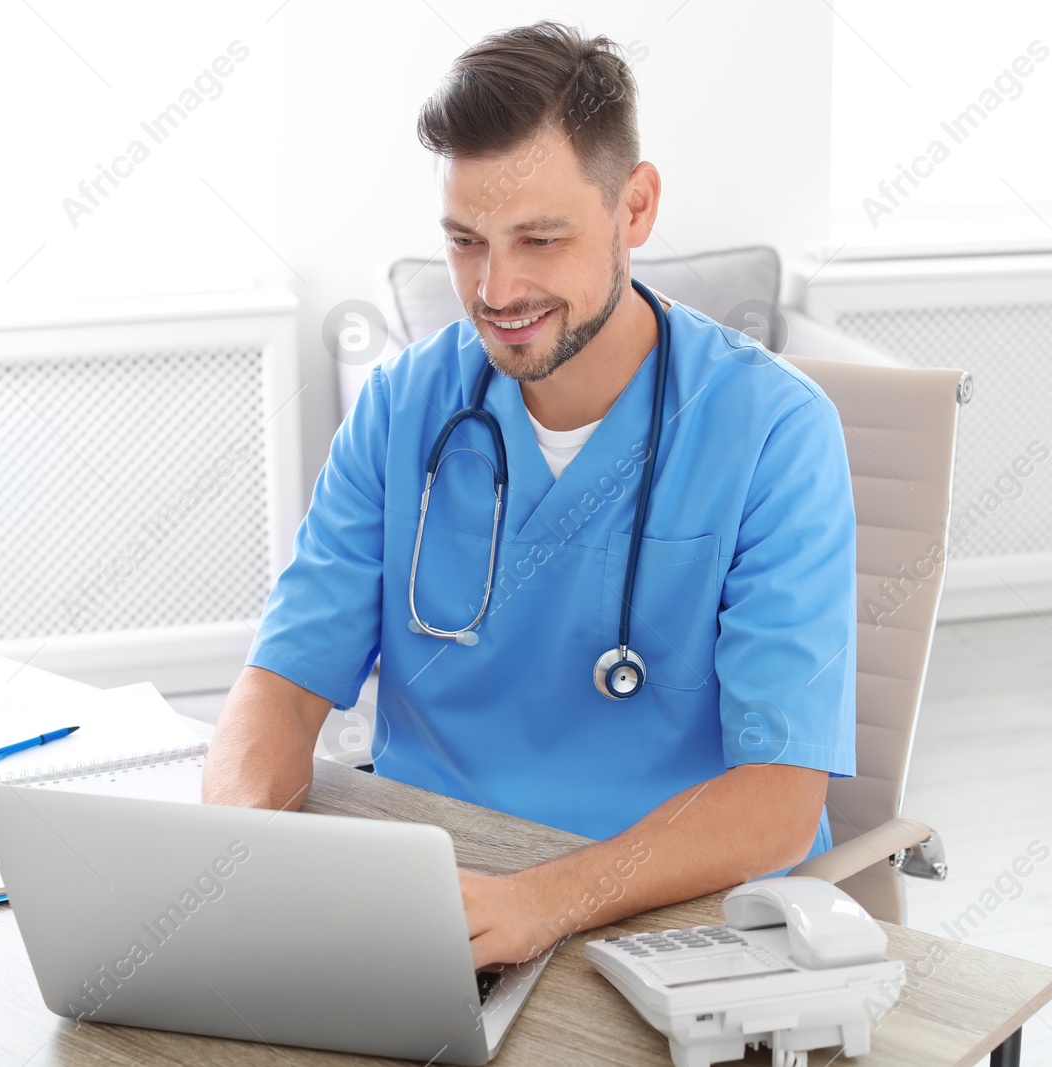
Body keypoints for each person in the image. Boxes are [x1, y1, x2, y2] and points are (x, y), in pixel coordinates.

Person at [202, 20, 857, 969]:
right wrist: (241, 849)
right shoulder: (402, 406)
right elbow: (283, 684)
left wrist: (546, 902)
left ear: (635, 207)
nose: (496, 287)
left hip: (678, 915)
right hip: (441, 907)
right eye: (465, 242)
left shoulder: (774, 432)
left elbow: (782, 797)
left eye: (540, 238)